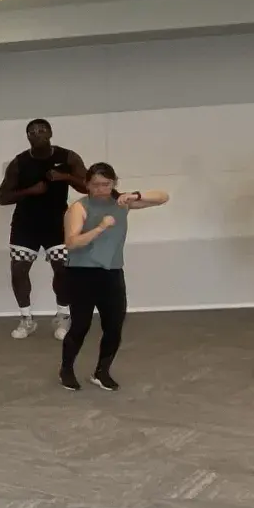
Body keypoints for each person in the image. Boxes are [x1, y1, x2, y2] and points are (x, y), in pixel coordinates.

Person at [59, 164, 169, 392]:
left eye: (106, 184)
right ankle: (66, 370)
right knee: (80, 325)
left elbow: (163, 197)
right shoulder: (79, 207)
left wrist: (137, 195)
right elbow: (71, 242)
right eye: (96, 184)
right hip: (82, 273)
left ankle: (102, 371)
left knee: (114, 326)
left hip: (112, 272)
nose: (101, 189)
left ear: (114, 183)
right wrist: (99, 228)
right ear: (87, 184)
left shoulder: (122, 203)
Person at [0, 119, 86, 341]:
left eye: (41, 130)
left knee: (63, 270)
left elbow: (87, 186)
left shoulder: (68, 158)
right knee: (18, 270)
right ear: (27, 136)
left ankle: (63, 315)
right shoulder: (19, 163)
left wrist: (65, 176)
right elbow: (3, 197)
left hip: (57, 223)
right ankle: (26, 319)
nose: (37, 134)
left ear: (50, 133)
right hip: (25, 224)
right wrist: (30, 191)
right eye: (32, 132)